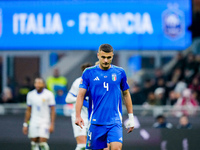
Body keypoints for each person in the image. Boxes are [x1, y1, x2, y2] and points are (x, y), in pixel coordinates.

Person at [75, 44, 134, 150]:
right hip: (95, 122)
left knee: (116, 148)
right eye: (103, 57)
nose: (106, 60)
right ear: (98, 55)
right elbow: (80, 95)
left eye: (109, 57)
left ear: (112, 56)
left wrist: (131, 117)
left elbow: (126, 93)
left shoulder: (120, 72)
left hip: (114, 122)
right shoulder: (88, 72)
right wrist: (78, 115)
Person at [22, 78, 56, 150]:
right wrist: (25, 124)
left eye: (39, 83)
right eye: (36, 83)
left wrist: (52, 124)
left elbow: (53, 110)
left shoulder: (49, 94)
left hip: (45, 121)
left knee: (42, 142)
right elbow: (28, 110)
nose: (37, 85)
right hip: (34, 121)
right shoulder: (30, 94)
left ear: (43, 84)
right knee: (34, 142)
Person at [65, 63, 92, 150]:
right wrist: (80, 99)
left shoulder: (96, 82)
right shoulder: (78, 82)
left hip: (93, 117)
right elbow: (68, 99)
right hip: (80, 116)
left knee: (92, 146)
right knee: (82, 145)